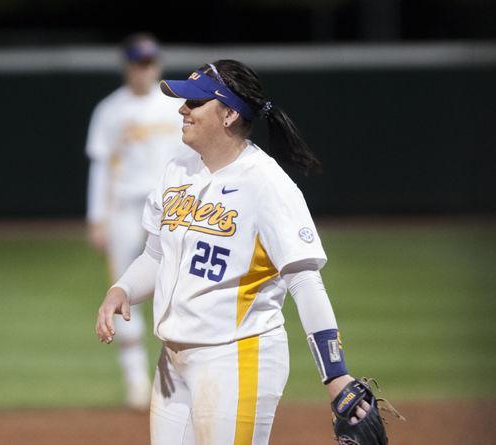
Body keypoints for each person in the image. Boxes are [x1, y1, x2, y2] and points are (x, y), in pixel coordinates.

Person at [95, 60, 373, 444]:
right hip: (172, 363)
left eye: (194, 103)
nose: (182, 109)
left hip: (236, 359)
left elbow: (305, 281)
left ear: (228, 113)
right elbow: (156, 256)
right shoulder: (177, 170)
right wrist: (122, 289)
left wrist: (336, 374)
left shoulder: (266, 184)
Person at [85, 33, 188, 409]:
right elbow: (100, 167)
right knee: (124, 290)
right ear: (128, 66)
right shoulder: (110, 110)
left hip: (172, 208)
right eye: (137, 63)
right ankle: (135, 380)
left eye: (149, 63)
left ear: (156, 64)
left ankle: (177, 376)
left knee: (175, 287)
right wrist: (97, 218)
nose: (143, 70)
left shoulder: (176, 106)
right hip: (125, 210)